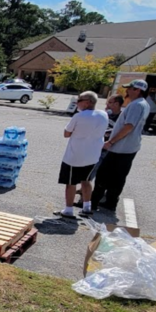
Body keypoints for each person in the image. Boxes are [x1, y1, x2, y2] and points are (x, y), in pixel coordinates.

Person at [90, 78, 151, 212]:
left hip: (121, 148)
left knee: (103, 174)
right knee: (118, 177)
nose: (127, 90)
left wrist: (111, 141)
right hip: (129, 147)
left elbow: (129, 126)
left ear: (138, 90)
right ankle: (110, 202)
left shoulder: (136, 105)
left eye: (130, 88)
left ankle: (93, 203)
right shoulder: (143, 104)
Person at [55, 91, 108, 219]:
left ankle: (68, 210)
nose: (77, 102)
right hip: (93, 155)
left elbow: (66, 133)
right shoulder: (103, 114)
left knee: (71, 182)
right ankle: (87, 207)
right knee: (87, 180)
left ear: (88, 102)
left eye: (80, 100)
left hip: (75, 155)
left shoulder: (79, 116)